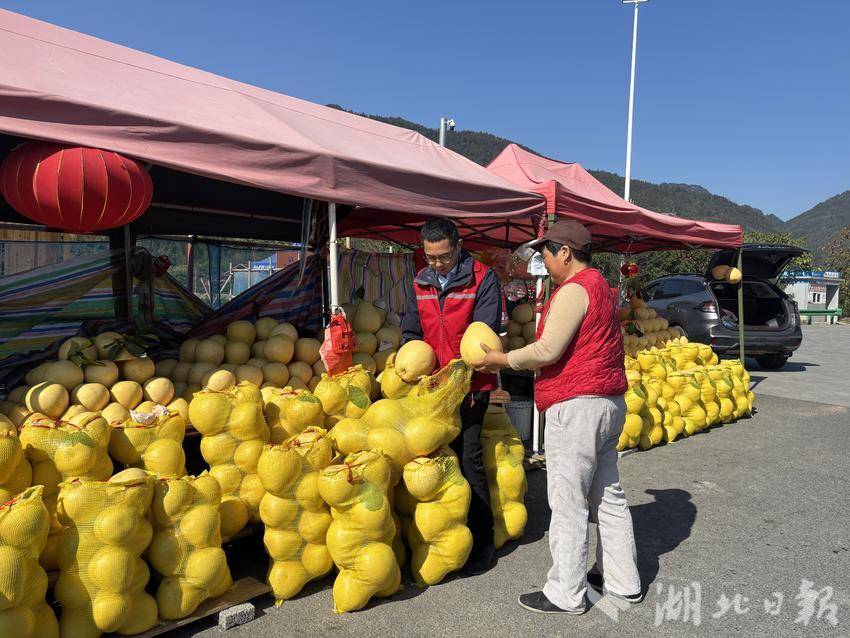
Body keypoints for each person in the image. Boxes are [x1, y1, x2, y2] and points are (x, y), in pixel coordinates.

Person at [476, 219, 642, 614]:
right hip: (607, 402)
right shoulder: (601, 285)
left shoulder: (574, 290)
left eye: (546, 253)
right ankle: (624, 582)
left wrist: (500, 359)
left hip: (577, 404)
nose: (544, 262)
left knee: (568, 501)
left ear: (565, 252)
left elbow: (547, 350)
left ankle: (565, 593)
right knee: (607, 495)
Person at [401, 217, 500, 574]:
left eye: (443, 256)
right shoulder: (419, 281)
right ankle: (445, 543)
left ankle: (482, 541)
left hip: (471, 387)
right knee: (436, 461)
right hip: (432, 389)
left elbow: (485, 334)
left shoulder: (482, 277)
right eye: (431, 257)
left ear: (458, 247)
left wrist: (462, 374)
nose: (437, 264)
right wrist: (409, 359)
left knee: (468, 459)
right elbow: (411, 330)